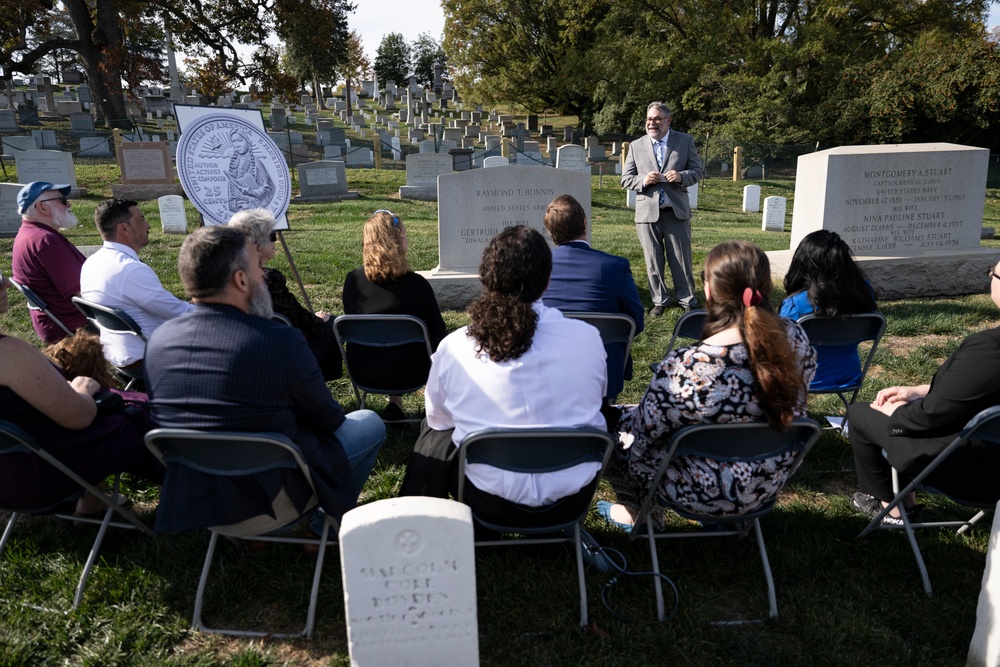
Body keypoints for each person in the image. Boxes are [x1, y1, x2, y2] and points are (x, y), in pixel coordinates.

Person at [144, 226, 385, 532]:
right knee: (369, 421)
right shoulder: (279, 342)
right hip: (272, 500)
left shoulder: (159, 341)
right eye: (258, 268)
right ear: (241, 280)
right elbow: (330, 420)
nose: (263, 276)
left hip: (200, 498)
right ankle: (327, 526)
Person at [598, 240, 816, 530]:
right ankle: (735, 524)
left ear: (709, 290)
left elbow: (642, 440)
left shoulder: (685, 367)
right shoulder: (796, 339)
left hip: (699, 494)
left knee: (610, 427)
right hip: (763, 484)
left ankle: (639, 514)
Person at [400, 225, 608, 517]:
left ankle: (422, 522)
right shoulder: (588, 338)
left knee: (434, 432)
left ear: (486, 280)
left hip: (487, 498)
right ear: (547, 281)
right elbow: (597, 400)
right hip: (572, 497)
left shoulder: (454, 347)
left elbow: (438, 419)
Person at [848, 257, 1000, 525]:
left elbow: (931, 417)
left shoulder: (989, 348)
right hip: (986, 450)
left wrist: (897, 415)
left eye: (994, 275)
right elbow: (986, 388)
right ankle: (903, 500)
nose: (990, 279)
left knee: (861, 413)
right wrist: (920, 390)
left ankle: (891, 511)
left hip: (974, 467)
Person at [0, 267, 163, 515]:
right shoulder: (9, 353)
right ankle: (205, 490)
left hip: (13, 471)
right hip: (37, 476)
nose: (6, 285)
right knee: (145, 420)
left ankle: (93, 500)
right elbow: (78, 418)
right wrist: (81, 390)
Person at [342, 210, 447, 421]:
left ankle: (395, 403)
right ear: (396, 242)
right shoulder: (417, 284)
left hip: (364, 370)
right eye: (404, 235)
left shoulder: (353, 281)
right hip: (413, 371)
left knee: (383, 338)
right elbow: (439, 332)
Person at [541, 194, 645, 402]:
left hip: (546, 368)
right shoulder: (615, 266)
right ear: (585, 223)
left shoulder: (535, 267)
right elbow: (636, 322)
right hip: (603, 371)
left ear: (550, 232)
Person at [227, 209, 342, 381]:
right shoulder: (268, 281)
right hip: (278, 356)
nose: (276, 241)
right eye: (272, 236)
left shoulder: (224, 278)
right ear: (257, 245)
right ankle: (315, 389)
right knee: (332, 324)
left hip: (239, 356)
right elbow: (300, 320)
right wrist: (319, 320)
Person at [80, 198, 193, 368]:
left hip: (117, 353)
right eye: (141, 220)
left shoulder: (92, 262)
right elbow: (178, 313)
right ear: (124, 228)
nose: (148, 226)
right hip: (151, 355)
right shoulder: (129, 270)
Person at [621, 101, 704, 316]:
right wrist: (643, 180)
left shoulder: (685, 141)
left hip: (675, 211)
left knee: (681, 258)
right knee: (652, 259)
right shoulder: (636, 145)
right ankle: (660, 300)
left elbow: (697, 170)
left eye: (657, 119)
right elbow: (625, 178)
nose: (652, 123)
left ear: (668, 120)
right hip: (647, 212)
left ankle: (686, 300)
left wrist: (681, 176)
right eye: (649, 119)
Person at [780, 230, 877, 390]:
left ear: (801, 263)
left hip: (797, 379)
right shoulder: (864, 292)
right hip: (847, 376)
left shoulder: (795, 305)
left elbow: (777, 347)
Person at [11, 181, 89, 342]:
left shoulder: (28, 234)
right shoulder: (46, 241)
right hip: (76, 326)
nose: (69, 204)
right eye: (62, 200)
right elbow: (84, 293)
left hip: (57, 323)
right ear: (42, 207)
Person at [226, 129, 275, 213]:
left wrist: (250, 193)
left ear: (248, 143)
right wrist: (236, 204)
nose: (237, 144)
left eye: (240, 140)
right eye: (234, 141)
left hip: (254, 209)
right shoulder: (233, 166)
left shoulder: (257, 163)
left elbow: (268, 189)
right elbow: (231, 194)